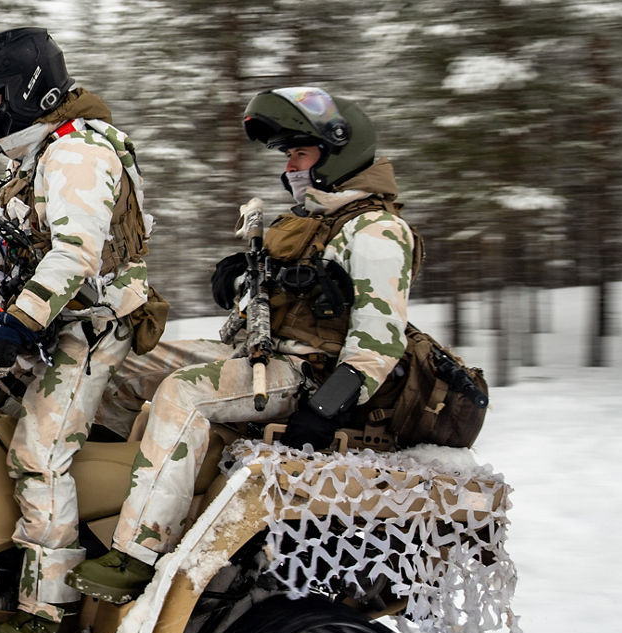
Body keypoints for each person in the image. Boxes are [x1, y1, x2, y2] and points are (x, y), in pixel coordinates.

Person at [67, 86, 417, 604]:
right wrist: (242, 281)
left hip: (307, 373)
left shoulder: (377, 231)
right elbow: (278, 303)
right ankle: (91, 507)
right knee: (123, 365)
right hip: (255, 354)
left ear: (338, 150)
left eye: (301, 152)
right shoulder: (312, 219)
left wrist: (323, 409)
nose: (291, 166)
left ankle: (138, 551)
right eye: (288, 155)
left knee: (183, 394)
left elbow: (378, 343)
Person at [0, 28, 156, 633]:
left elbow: (75, 255)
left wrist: (18, 324)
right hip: (49, 323)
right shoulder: (36, 154)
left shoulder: (77, 153)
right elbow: (15, 239)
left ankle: (48, 609)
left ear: (26, 89)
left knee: (38, 451)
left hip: (87, 329)